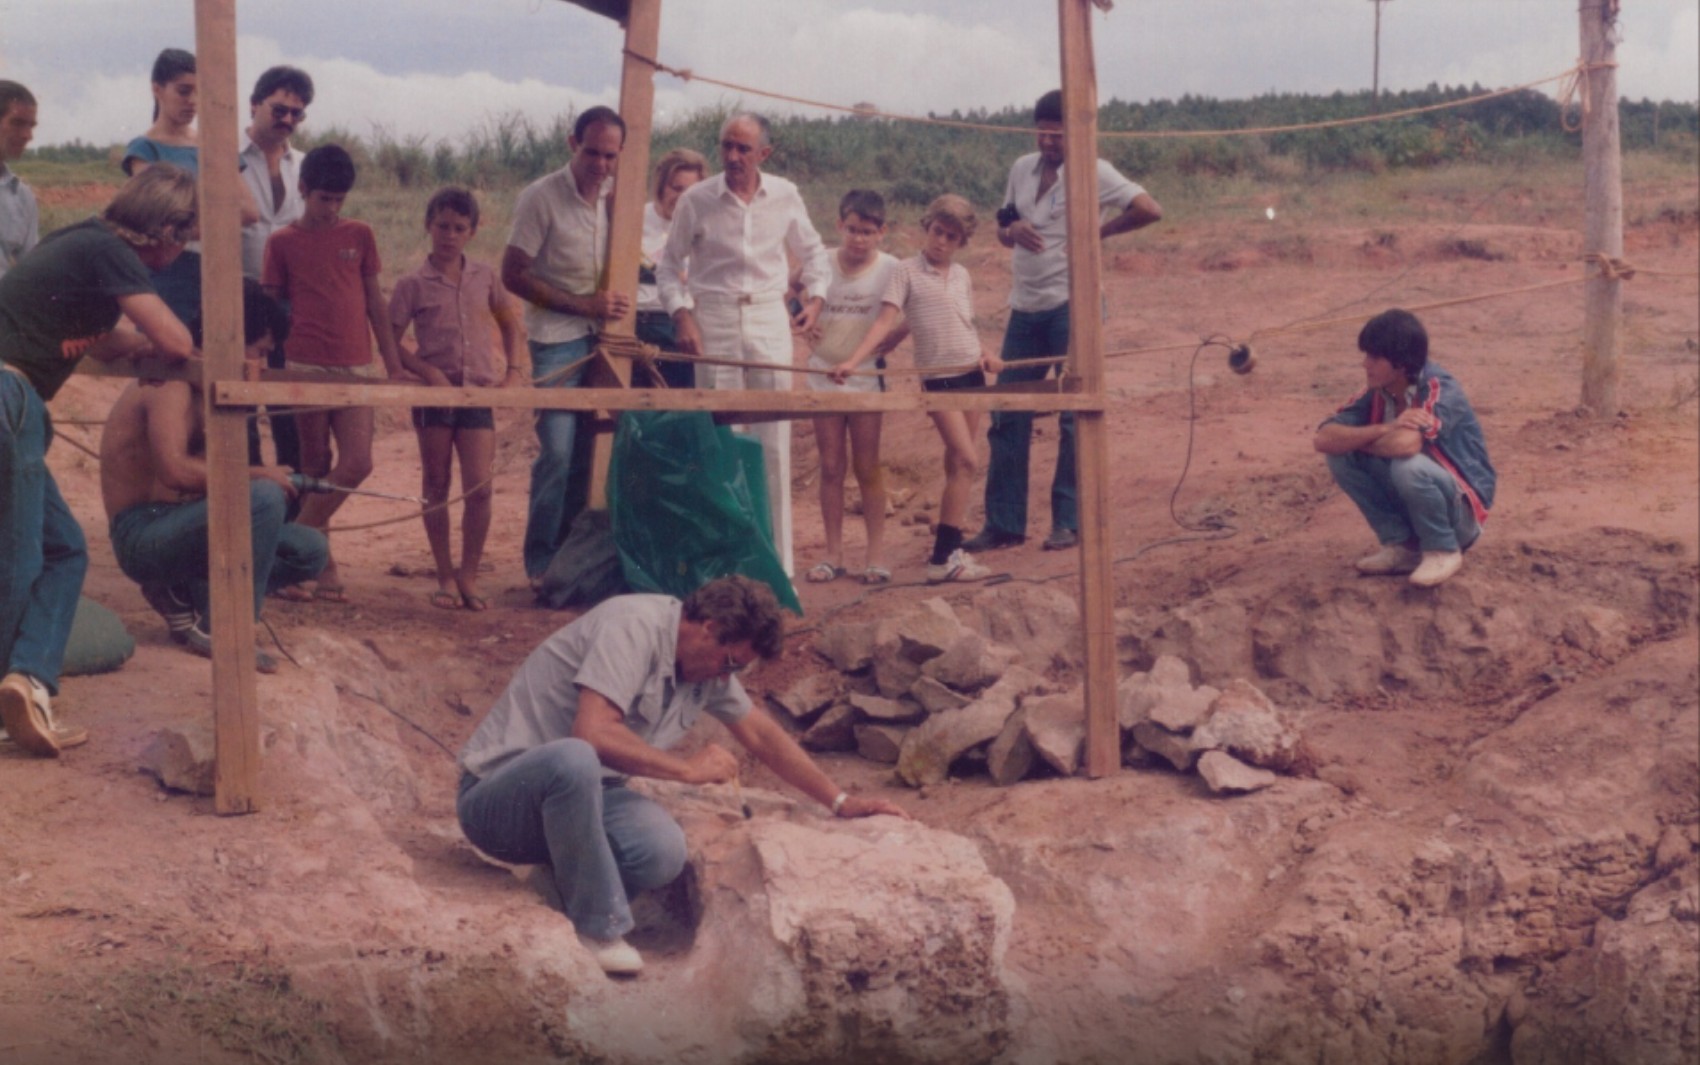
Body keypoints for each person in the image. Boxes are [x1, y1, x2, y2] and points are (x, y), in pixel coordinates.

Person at [456, 574, 908, 976]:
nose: (730, 675)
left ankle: (556, 886)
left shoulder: (706, 664)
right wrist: (686, 771)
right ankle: (601, 929)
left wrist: (839, 801)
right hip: (498, 801)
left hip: (582, 800)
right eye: (731, 663)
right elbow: (592, 732)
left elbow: (762, 735)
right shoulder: (632, 627)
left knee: (660, 852)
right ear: (708, 629)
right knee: (574, 757)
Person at [0, 165, 199, 756]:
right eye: (183, 236)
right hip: (10, 395)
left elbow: (110, 340)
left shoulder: (80, 246)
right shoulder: (108, 249)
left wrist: (143, 344)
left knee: (65, 548)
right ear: (162, 228)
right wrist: (182, 347)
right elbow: (176, 343)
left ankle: (27, 679)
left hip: (16, 404)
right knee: (21, 554)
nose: (182, 249)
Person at [964, 89, 1163, 555]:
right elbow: (1003, 223)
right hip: (1025, 306)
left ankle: (1068, 522)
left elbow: (1150, 209)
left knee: (1075, 412)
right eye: (1043, 132)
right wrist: (1010, 230)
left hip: (1073, 305)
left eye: (1058, 132)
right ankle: (1004, 524)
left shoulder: (1095, 171)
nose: (1049, 141)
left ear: (1075, 130)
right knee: (1009, 410)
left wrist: (1097, 234)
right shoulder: (1021, 168)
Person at [100, 280, 327, 672]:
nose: (260, 364)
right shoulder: (172, 381)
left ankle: (181, 591)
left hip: (183, 528)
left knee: (309, 548)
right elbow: (174, 470)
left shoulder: (213, 387)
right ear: (234, 340)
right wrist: (259, 475)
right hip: (142, 534)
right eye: (259, 351)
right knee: (264, 497)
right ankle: (227, 629)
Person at [659, 112, 832, 578]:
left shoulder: (785, 194)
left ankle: (777, 565)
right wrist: (682, 315)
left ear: (764, 154)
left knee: (772, 440)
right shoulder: (697, 199)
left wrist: (815, 300)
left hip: (768, 316)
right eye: (726, 146)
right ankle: (725, 564)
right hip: (712, 316)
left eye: (743, 148)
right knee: (719, 439)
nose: (733, 157)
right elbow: (668, 265)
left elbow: (814, 253)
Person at [831, 194, 1001, 584]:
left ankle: (949, 553)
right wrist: (855, 360)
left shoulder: (962, 276)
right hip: (938, 378)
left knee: (957, 465)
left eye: (952, 237)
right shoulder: (906, 271)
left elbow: (961, 322)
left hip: (971, 373)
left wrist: (986, 353)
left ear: (961, 242)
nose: (942, 241)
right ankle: (943, 558)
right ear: (927, 228)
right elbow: (883, 321)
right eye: (938, 232)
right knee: (969, 459)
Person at [262, 143, 402, 602]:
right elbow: (272, 307)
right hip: (304, 362)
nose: (331, 207)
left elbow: (374, 302)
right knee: (315, 464)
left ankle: (292, 543)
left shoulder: (359, 234)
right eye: (324, 198)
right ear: (303, 189)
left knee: (358, 461)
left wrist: (393, 362)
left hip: (356, 363)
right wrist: (269, 358)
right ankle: (321, 562)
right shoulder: (280, 241)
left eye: (339, 199)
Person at [501, 106, 630, 586]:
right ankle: (539, 562)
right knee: (556, 451)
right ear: (571, 142)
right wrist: (585, 306)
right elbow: (512, 275)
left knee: (587, 452)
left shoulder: (616, 198)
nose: (600, 164)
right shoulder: (541, 197)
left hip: (607, 337)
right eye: (592, 152)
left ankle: (570, 564)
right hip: (556, 338)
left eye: (610, 156)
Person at [391, 186, 525, 613]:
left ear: (472, 231)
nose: (449, 235)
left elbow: (510, 323)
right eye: (442, 226)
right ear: (428, 225)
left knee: (479, 487)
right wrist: (427, 372)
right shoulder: (412, 283)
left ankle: (469, 573)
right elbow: (391, 344)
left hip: (476, 395)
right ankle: (444, 574)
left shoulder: (485, 276)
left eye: (459, 228)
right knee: (436, 485)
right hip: (435, 397)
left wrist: (514, 372)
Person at [1313, 308, 1495, 587]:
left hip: (1461, 516)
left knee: (1407, 466)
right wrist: (1386, 428)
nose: (1365, 364)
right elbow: (1324, 439)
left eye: (1374, 357)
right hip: (1421, 501)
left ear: (1400, 363)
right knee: (1341, 456)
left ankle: (1443, 549)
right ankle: (1402, 547)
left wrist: (1363, 441)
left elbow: (1406, 445)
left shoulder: (1440, 388)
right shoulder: (1376, 391)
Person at [802, 189, 906, 586]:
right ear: (839, 225)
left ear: (882, 231)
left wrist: (895, 339)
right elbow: (787, 285)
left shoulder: (893, 268)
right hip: (822, 373)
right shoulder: (822, 261)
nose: (858, 239)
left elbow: (917, 307)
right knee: (831, 467)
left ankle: (876, 556)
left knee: (867, 467)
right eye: (851, 230)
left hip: (865, 376)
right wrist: (800, 315)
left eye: (867, 231)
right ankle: (832, 555)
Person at [240, 65, 314, 472]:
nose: (287, 120)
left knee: (288, 403)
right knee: (239, 404)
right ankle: (250, 503)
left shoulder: (303, 164)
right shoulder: (222, 156)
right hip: (237, 295)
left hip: (288, 299)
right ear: (254, 104)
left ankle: (293, 514)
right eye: (279, 109)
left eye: (296, 114)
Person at [636, 147, 707, 389]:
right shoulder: (635, 219)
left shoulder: (705, 227)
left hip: (681, 327)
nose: (682, 197)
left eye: (691, 191)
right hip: (637, 324)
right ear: (661, 185)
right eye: (676, 188)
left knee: (680, 410)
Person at [0, 80, 39, 281]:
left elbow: (30, 271)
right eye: (17, 123)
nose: (27, 135)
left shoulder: (22, 196)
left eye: (30, 126)